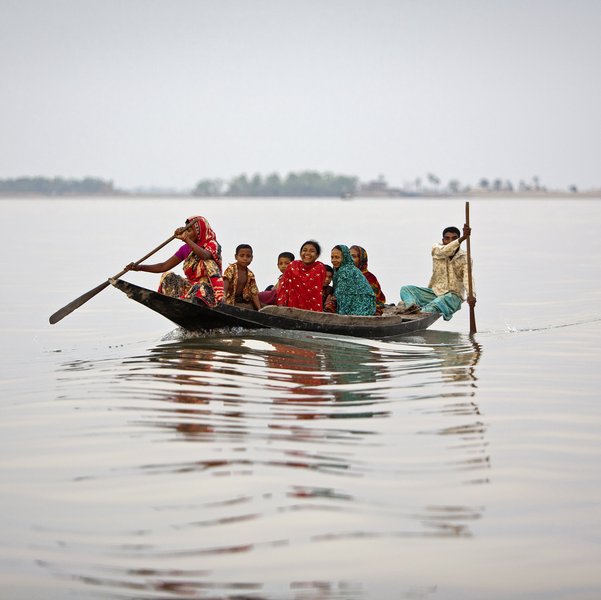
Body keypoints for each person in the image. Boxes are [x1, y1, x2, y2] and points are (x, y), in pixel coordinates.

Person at [126, 216, 224, 306]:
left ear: (199, 232)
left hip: (209, 291)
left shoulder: (212, 244)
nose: (186, 234)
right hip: (191, 288)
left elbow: (205, 256)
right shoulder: (185, 249)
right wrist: (139, 268)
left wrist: (186, 240)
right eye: (186, 231)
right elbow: (163, 266)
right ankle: (179, 303)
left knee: (202, 282)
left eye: (189, 231)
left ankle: (215, 301)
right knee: (168, 277)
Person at [399, 224, 476, 321]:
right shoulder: (437, 249)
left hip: (453, 296)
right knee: (406, 289)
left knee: (436, 303)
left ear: (458, 241)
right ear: (443, 240)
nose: (450, 241)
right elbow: (446, 251)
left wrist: (471, 295)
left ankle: (419, 313)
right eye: (447, 238)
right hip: (435, 292)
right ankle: (411, 307)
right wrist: (463, 238)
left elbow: (467, 278)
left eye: (454, 238)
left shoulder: (465, 258)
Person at [276, 240, 326, 312]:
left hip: (313, 311)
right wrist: (281, 304)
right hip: (292, 310)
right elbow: (283, 288)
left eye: (312, 251)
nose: (307, 253)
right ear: (300, 253)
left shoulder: (319, 267)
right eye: (304, 250)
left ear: (317, 255)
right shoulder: (293, 266)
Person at [330, 245, 376, 316]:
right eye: (332, 257)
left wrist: (341, 316)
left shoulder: (346, 270)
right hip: (355, 304)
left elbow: (344, 297)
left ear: (344, 258)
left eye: (337, 257)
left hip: (362, 307)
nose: (333, 260)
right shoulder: (338, 269)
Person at [350, 245, 387, 315]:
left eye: (354, 256)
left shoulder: (370, 278)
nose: (350, 259)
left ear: (361, 259)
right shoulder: (346, 275)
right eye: (349, 256)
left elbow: (374, 301)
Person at [223, 244, 261, 310]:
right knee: (248, 309)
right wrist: (223, 298)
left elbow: (254, 293)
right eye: (242, 256)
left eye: (248, 256)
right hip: (230, 301)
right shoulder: (231, 269)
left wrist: (260, 309)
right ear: (236, 256)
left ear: (252, 258)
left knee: (261, 305)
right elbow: (225, 284)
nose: (245, 258)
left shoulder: (250, 274)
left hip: (242, 300)